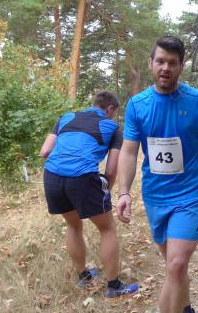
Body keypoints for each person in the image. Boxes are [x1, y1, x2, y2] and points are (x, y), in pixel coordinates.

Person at [115, 36, 198, 313]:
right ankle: (186, 308)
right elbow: (129, 152)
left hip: (190, 192)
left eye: (172, 63)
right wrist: (123, 192)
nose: (166, 68)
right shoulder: (137, 105)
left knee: (176, 265)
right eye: (160, 61)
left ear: (181, 66)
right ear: (151, 63)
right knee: (173, 265)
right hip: (156, 196)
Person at [39, 91, 139, 298]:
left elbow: (45, 151)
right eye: (114, 112)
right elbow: (111, 170)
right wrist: (105, 191)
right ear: (110, 109)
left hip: (52, 176)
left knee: (73, 225)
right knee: (107, 228)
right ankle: (113, 286)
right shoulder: (113, 128)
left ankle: (83, 277)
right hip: (82, 177)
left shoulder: (66, 117)